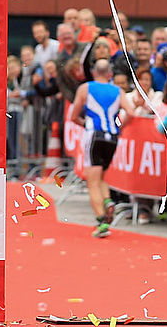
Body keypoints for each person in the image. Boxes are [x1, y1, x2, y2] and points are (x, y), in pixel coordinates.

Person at [69, 59, 130, 238]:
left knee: (92, 180)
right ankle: (108, 201)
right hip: (112, 136)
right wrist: (119, 126)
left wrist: (84, 123)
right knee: (101, 174)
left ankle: (101, 220)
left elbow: (73, 115)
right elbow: (131, 112)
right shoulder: (118, 91)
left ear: (94, 72)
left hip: (94, 134)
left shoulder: (86, 88)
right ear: (110, 74)